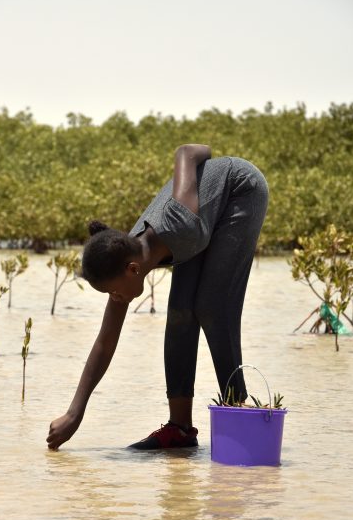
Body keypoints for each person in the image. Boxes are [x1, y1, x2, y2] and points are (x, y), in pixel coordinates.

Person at [46, 144, 269, 451]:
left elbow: (188, 151)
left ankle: (238, 409)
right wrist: (75, 412)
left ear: (133, 269)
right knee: (180, 314)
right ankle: (179, 429)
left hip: (240, 190)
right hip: (200, 220)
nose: (115, 297)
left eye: (113, 290)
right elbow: (105, 340)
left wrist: (206, 173)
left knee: (212, 306)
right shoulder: (126, 253)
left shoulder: (180, 223)